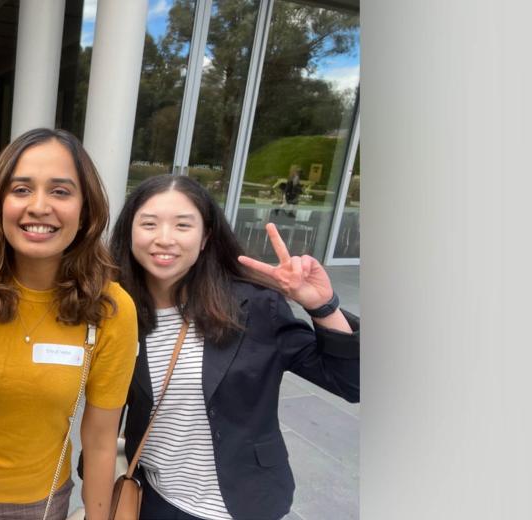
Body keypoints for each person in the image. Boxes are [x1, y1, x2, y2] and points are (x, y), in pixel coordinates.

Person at [109, 175, 359, 520]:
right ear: (130, 233)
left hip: (245, 502)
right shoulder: (118, 313)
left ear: (205, 238)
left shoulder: (254, 307)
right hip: (156, 501)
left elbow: (351, 382)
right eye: (149, 224)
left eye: (183, 225)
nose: (163, 239)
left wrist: (323, 306)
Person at [0, 128, 139, 520]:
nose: (39, 206)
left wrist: (97, 516)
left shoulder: (110, 309)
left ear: (86, 210)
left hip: (39, 504)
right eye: (21, 189)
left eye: (60, 191)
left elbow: (102, 439)